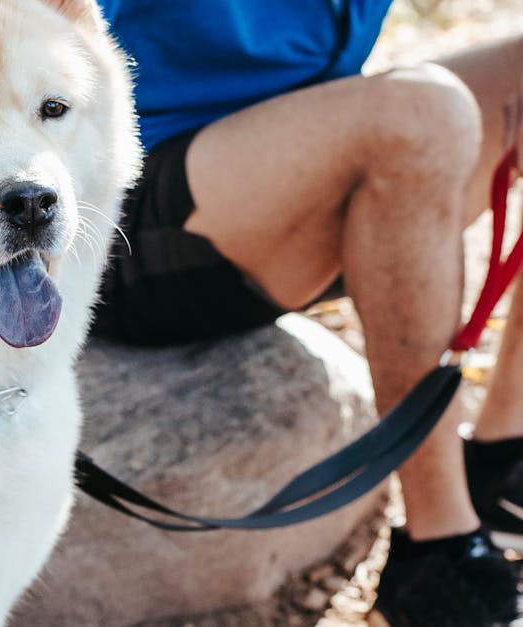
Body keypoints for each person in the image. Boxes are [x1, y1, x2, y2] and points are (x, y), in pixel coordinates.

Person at [91, 1, 523, 624]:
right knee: (423, 113)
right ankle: (439, 552)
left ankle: (502, 461)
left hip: (284, 166)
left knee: (440, 105)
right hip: (122, 217)